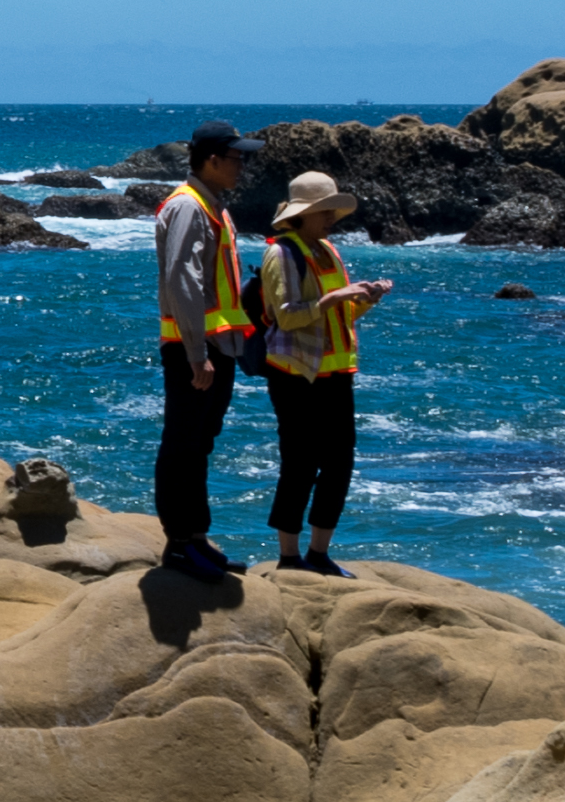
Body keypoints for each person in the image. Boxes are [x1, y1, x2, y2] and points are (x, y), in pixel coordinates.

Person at [252, 169, 391, 572]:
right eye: (324, 211)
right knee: (299, 463)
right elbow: (287, 317)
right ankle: (288, 556)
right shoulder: (281, 253)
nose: (332, 219)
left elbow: (341, 313)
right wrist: (335, 296)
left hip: (336, 373)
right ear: (301, 214)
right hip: (295, 375)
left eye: (332, 211)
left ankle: (320, 552)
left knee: (339, 462)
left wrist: (365, 298)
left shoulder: (327, 250)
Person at [145, 125, 255, 576]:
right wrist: (195, 352)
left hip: (215, 345)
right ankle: (177, 543)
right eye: (235, 158)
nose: (242, 166)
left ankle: (196, 536)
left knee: (199, 443)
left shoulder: (214, 207)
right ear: (211, 159)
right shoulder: (189, 207)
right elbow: (181, 280)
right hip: (195, 348)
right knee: (182, 444)